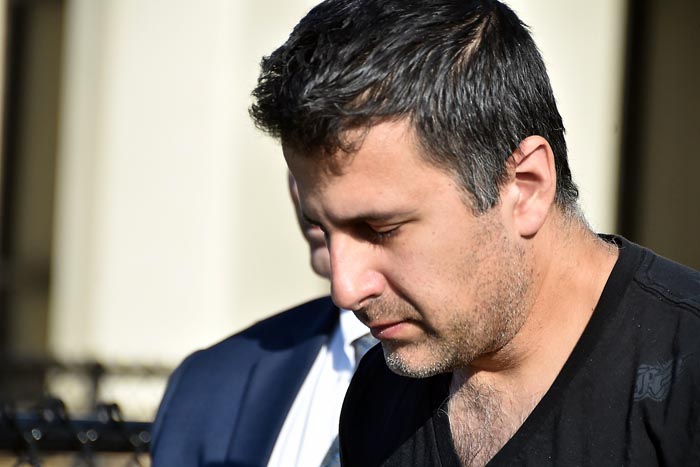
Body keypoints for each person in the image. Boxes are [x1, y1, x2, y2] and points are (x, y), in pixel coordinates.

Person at [249, 0, 700, 466]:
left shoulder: (685, 379)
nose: (345, 289)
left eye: (381, 230)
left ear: (525, 188)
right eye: (322, 229)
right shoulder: (378, 396)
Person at [150, 174, 373, 467]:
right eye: (294, 166)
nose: (304, 190)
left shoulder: (438, 387)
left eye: (339, 161)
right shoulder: (206, 384)